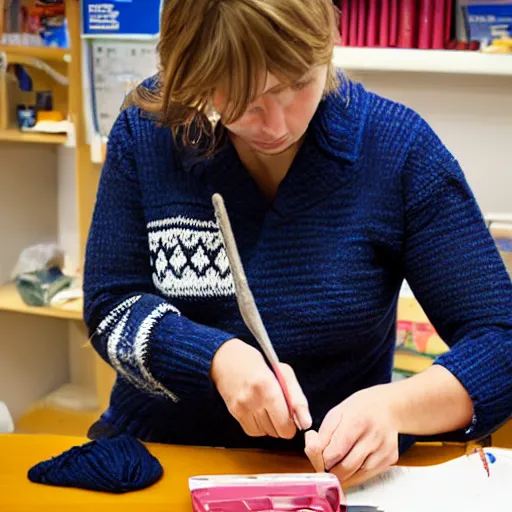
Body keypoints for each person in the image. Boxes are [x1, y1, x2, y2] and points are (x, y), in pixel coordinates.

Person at [83, 0, 512, 487]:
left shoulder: (397, 151)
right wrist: (215, 359)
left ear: (326, 44)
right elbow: (110, 306)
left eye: (298, 86)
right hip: (160, 457)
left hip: (332, 476)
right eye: (245, 100)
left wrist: (397, 407)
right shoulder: (150, 133)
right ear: (195, 73)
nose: (278, 125)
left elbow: (502, 339)